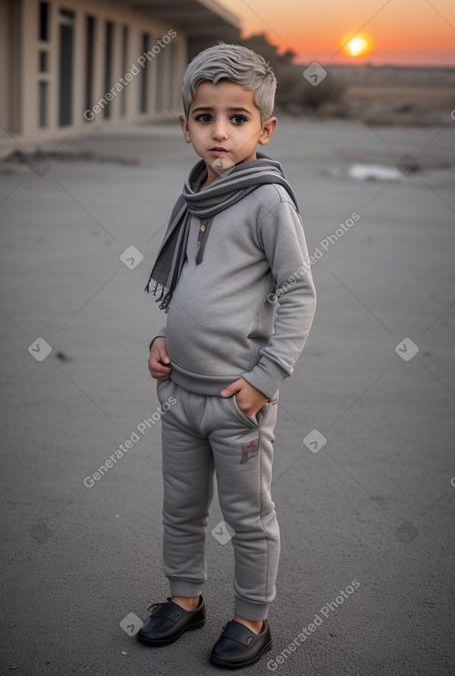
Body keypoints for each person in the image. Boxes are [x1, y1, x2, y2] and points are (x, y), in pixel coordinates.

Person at [137, 43, 317, 669]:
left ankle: (251, 617)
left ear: (264, 129)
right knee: (181, 507)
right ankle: (185, 600)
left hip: (236, 401)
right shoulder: (194, 197)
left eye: (238, 118)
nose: (220, 131)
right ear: (185, 126)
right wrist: (164, 340)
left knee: (248, 516)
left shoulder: (268, 201)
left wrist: (264, 381)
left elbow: (299, 294)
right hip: (180, 392)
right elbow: (190, 285)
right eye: (206, 117)